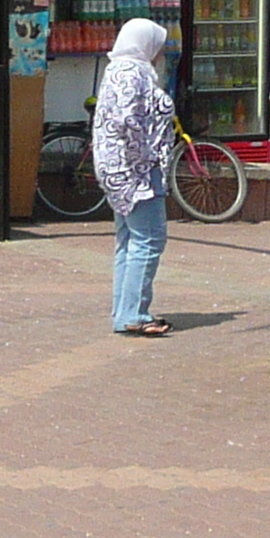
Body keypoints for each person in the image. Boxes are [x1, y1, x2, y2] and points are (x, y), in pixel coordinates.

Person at [93, 18, 177, 337]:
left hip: (119, 170)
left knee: (129, 240)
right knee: (149, 238)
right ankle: (134, 313)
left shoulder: (118, 68)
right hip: (135, 172)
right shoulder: (134, 72)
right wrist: (146, 156)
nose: (159, 53)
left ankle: (125, 310)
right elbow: (130, 120)